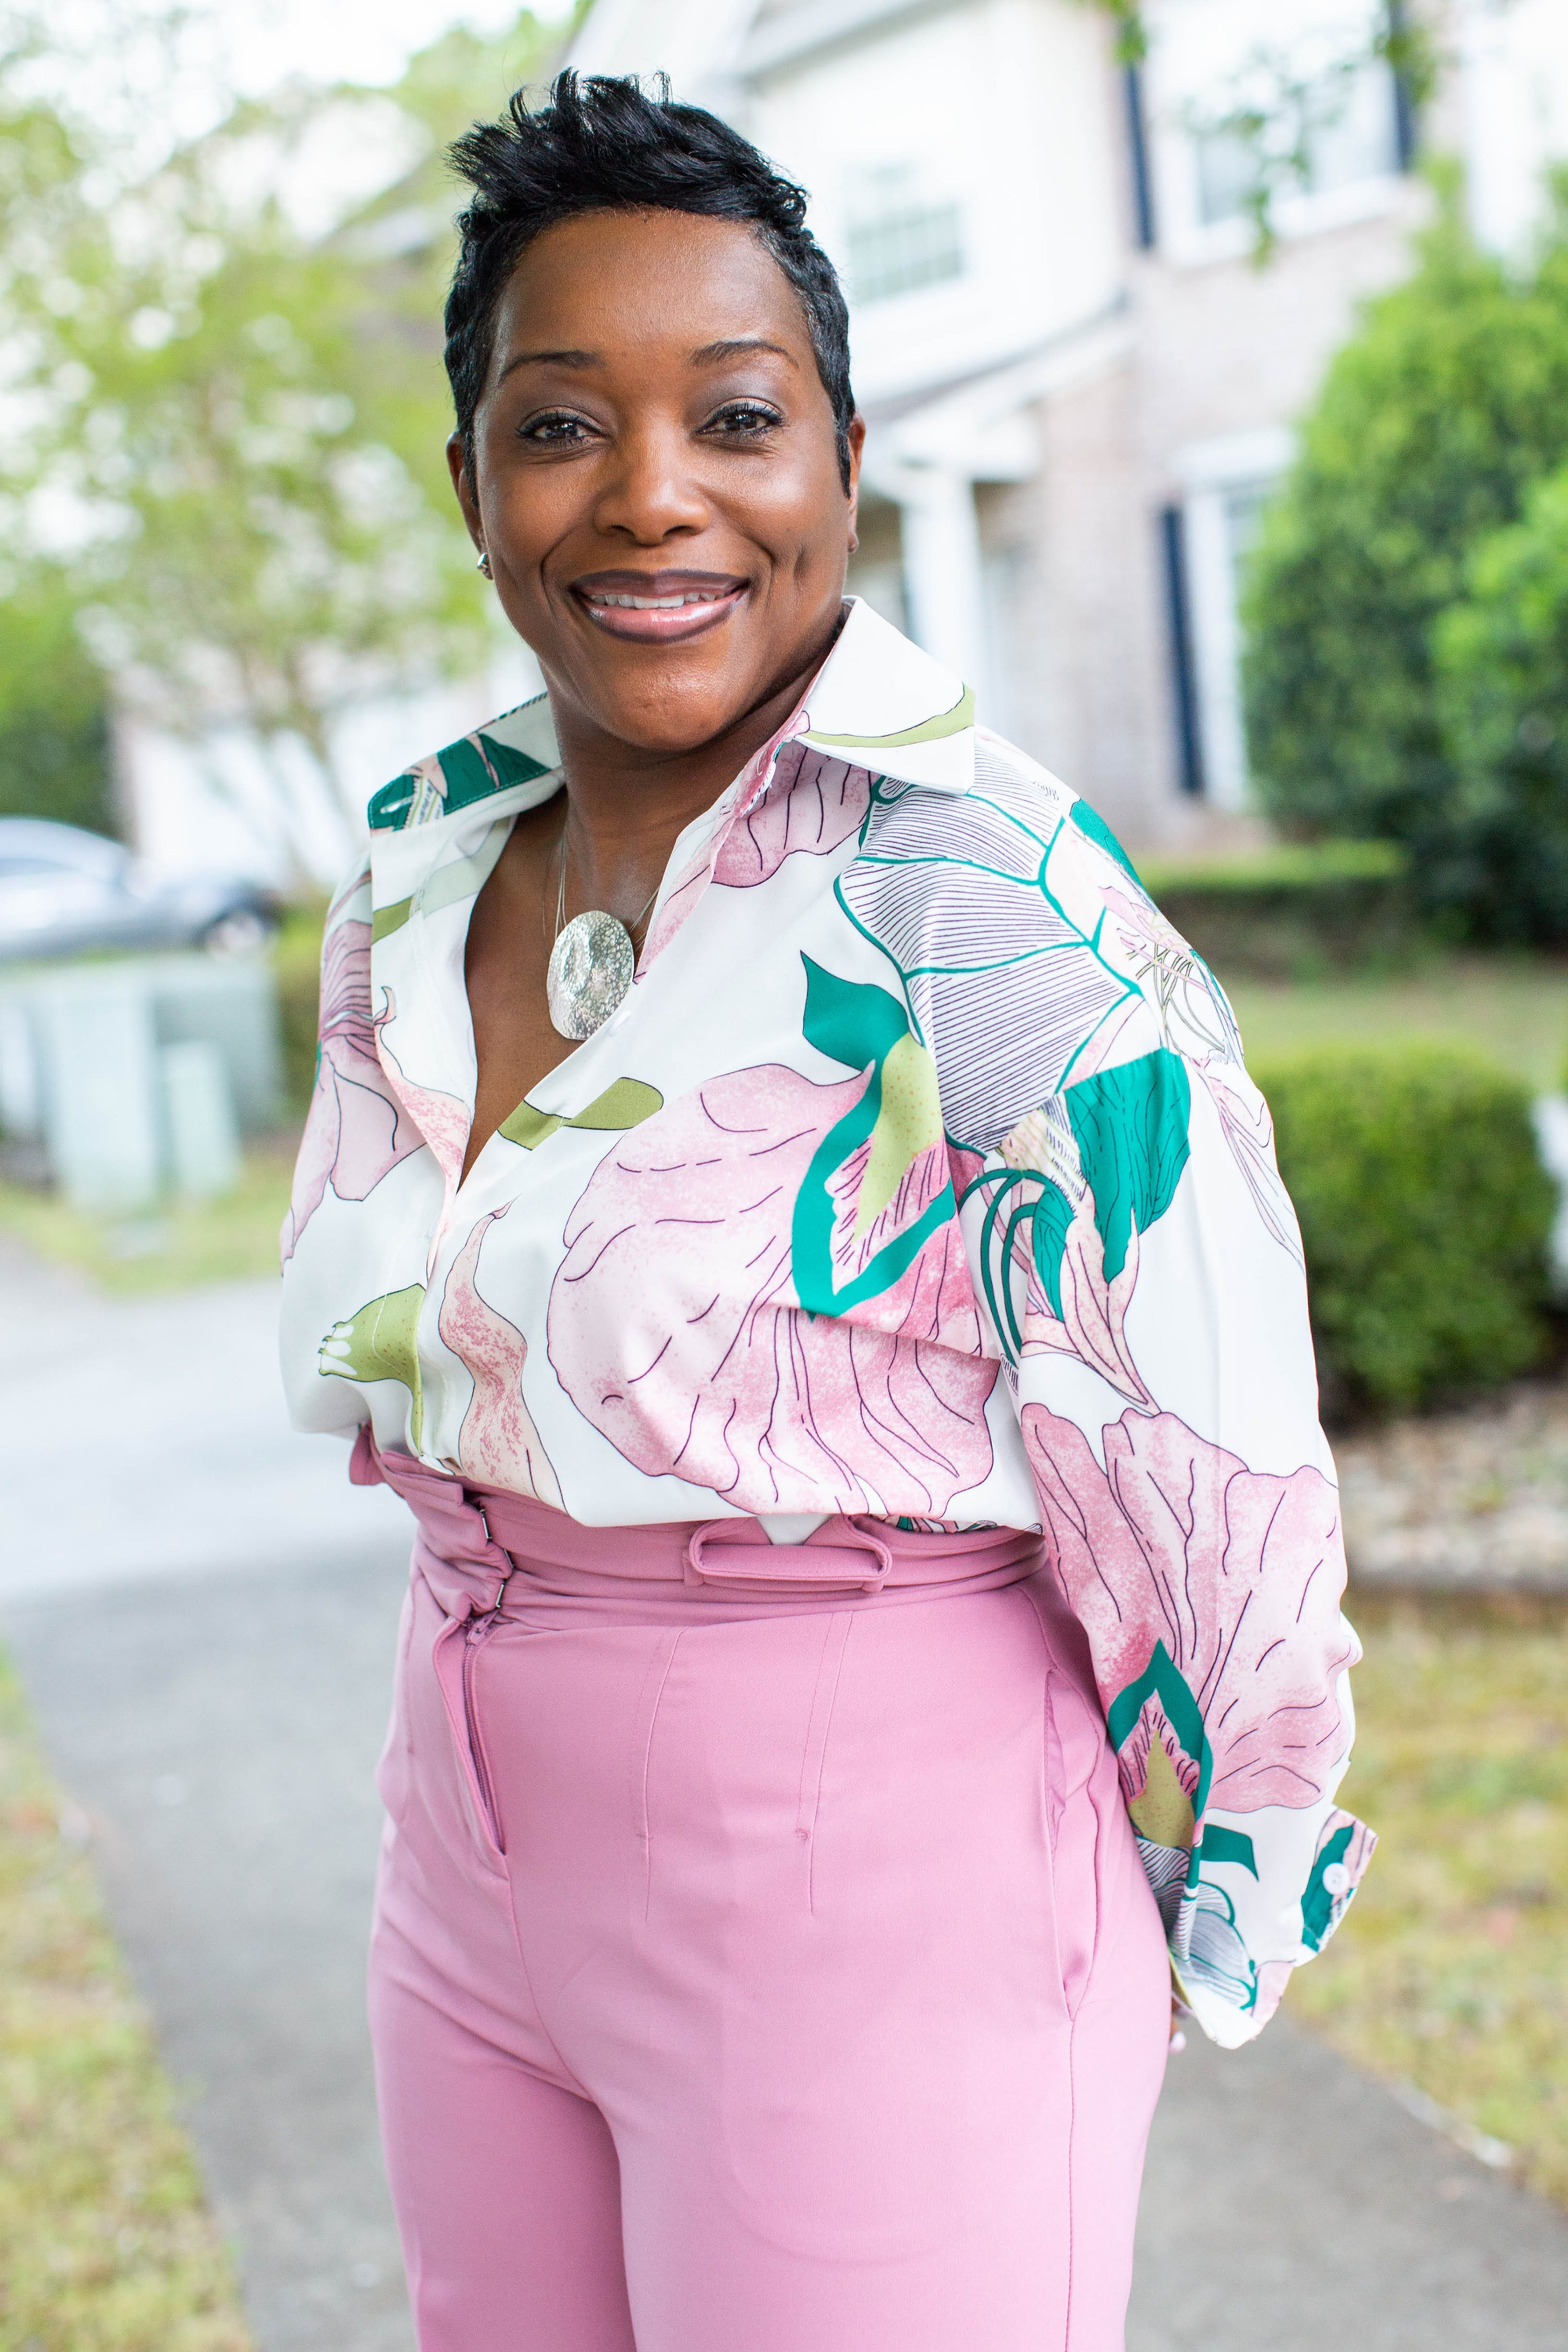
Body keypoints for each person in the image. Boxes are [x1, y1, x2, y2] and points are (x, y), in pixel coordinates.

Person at [279, 70, 1372, 2352]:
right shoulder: (413, 881)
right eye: (560, 425)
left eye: (736, 416)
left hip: (864, 1849)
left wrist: (1205, 1890)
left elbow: (1221, 1458)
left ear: (842, 463)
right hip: (463, 1835)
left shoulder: (990, 898)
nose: (649, 492)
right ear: (471, 486)